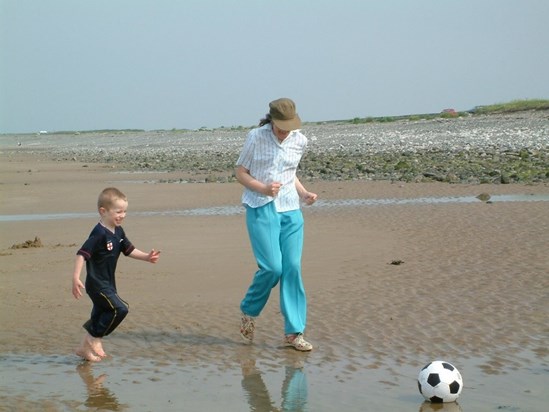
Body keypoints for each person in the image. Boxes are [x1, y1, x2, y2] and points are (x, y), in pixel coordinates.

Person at [236, 98, 318, 351]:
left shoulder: (299, 140)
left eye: (288, 126)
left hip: (291, 209)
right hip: (261, 207)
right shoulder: (256, 137)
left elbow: (289, 173)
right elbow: (240, 171)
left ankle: (294, 333)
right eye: (280, 126)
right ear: (271, 120)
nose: (284, 131)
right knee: (272, 268)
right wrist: (262, 188)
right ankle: (249, 310)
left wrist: (303, 193)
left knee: (292, 267)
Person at [72, 187, 160, 361]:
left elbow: (128, 249)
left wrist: (147, 258)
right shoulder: (98, 233)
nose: (122, 215)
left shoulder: (118, 231)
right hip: (97, 284)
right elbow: (82, 254)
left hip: (109, 283)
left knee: (100, 314)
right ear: (103, 211)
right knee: (120, 309)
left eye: (125, 211)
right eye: (118, 211)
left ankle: (84, 349)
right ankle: (94, 339)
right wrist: (76, 277)